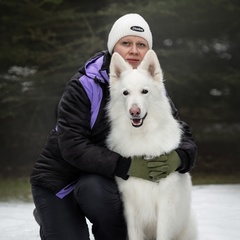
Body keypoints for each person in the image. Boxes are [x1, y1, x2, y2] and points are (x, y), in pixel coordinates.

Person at [30, 13, 197, 240]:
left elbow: (179, 130)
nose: (134, 50)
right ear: (113, 48)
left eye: (141, 45)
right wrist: (127, 166)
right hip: (59, 181)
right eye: (126, 43)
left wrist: (180, 157)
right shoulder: (84, 84)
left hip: (98, 181)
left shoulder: (150, 86)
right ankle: (51, 215)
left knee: (105, 197)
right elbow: (72, 145)